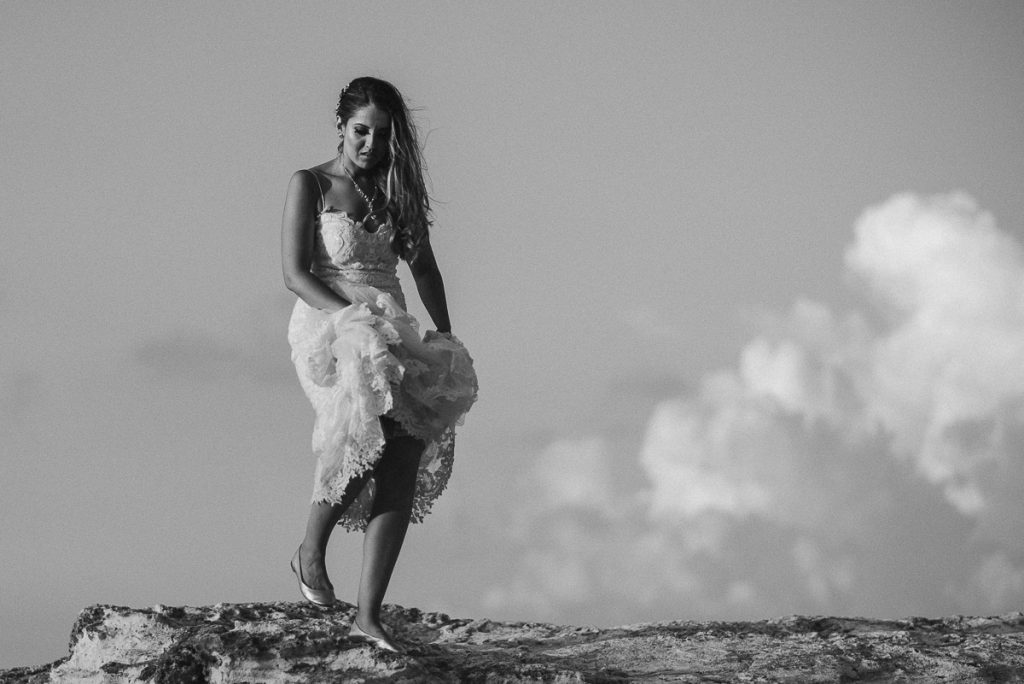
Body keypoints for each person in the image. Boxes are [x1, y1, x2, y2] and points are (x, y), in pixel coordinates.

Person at [281, 77, 477, 653]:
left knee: (406, 449)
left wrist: (443, 333)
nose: (370, 143)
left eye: (382, 134)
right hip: (328, 319)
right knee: (369, 428)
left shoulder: (396, 194)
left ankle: (370, 615)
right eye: (361, 130)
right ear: (341, 126)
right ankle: (310, 553)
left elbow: (426, 272)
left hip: (391, 320)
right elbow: (295, 272)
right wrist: (352, 318)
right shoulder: (310, 184)